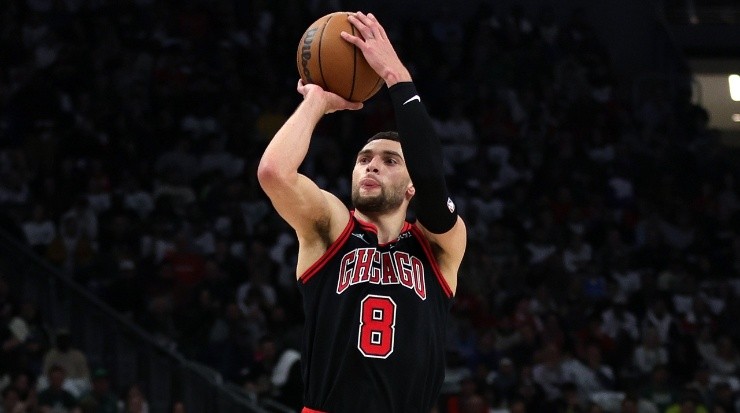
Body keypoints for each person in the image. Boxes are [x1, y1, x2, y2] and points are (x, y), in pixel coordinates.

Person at [257, 11, 467, 413]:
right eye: (364, 158)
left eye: (389, 161)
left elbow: (431, 177)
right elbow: (274, 173)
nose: (371, 165)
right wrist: (316, 103)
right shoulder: (332, 229)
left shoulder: (439, 246)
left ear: (411, 187)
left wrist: (395, 76)